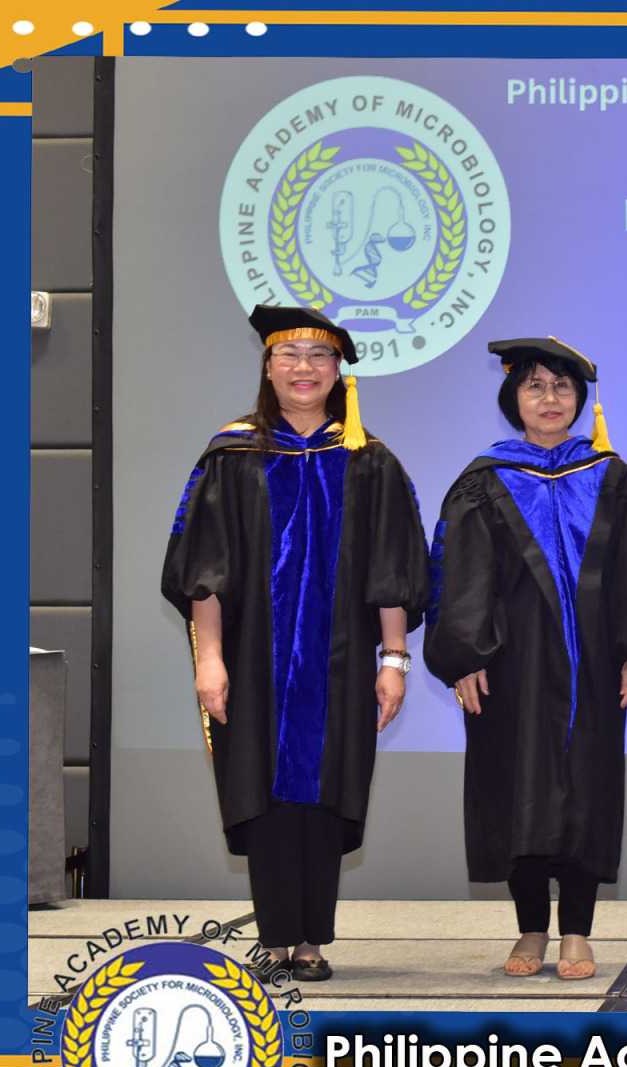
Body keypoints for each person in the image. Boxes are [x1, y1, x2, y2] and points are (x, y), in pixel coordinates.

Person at [162, 305, 430, 982]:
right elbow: (205, 573)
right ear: (267, 367)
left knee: (326, 793)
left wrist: (394, 661)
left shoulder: (369, 460)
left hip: (342, 664)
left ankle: (311, 941)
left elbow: (393, 572)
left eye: (319, 356)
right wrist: (208, 659)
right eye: (289, 355)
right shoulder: (231, 456)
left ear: (340, 371)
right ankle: (276, 937)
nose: (303, 368)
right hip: (253, 659)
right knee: (264, 791)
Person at [423, 337, 627, 981]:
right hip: (508, 664)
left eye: (562, 386)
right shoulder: (484, 480)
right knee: (517, 788)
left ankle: (576, 931)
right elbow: (459, 576)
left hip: (596, 664)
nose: (549, 397)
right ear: (513, 398)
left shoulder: (614, 479)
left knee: (585, 789)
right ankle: (530, 929)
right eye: (534, 385)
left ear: (580, 400)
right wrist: (464, 654)